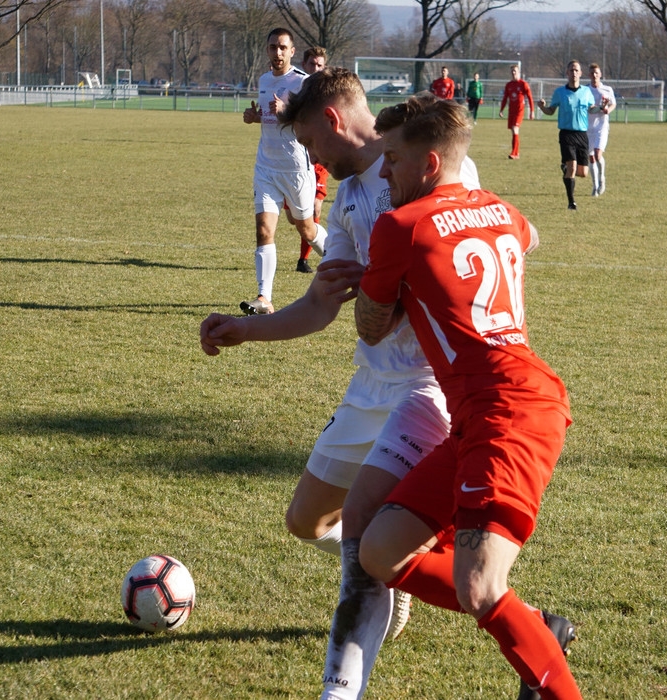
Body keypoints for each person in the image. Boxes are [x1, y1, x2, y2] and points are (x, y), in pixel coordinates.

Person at [201, 68, 492, 700]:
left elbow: (452, 275)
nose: (310, 160)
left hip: (426, 387)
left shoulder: (423, 170)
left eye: (309, 145)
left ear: (332, 122)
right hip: (370, 386)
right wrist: (244, 330)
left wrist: (379, 281)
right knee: (306, 521)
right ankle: (403, 571)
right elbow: (319, 306)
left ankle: (341, 686)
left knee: (360, 536)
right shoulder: (354, 198)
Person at [353, 93, 582, 700]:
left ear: (428, 165)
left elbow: (372, 328)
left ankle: (546, 662)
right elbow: (526, 237)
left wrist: (381, 281)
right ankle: (536, 628)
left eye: (394, 159)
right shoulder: (503, 210)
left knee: (478, 587)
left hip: (509, 410)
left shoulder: (399, 226)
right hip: (486, 411)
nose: (383, 172)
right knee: (379, 551)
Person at [240, 28, 328, 314]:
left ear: (292, 52)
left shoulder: (302, 83)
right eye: (272, 47)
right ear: (266, 50)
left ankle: (342, 264)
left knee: (305, 228)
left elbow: (313, 122)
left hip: (296, 169)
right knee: (264, 230)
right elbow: (269, 118)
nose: (277, 53)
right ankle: (264, 298)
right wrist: (255, 117)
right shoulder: (264, 79)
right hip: (266, 167)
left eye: (282, 48)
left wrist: (287, 113)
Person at [537, 60, 604, 210]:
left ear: (580, 74)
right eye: (571, 70)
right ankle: (571, 202)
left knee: (583, 173)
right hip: (566, 133)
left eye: (576, 70)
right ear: (567, 73)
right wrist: (542, 107)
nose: (574, 73)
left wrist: (600, 107)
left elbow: (591, 109)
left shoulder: (586, 92)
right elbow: (550, 111)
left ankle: (565, 168)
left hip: (582, 135)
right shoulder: (560, 92)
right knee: (572, 167)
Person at [296, 46, 330, 274]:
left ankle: (306, 260)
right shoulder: (296, 90)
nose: (315, 69)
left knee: (316, 207)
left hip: (320, 159)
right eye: (311, 64)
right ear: (304, 64)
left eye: (319, 65)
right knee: (296, 218)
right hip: (296, 161)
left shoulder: (329, 92)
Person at [586, 63, 615, 197]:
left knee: (598, 154)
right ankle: (595, 185)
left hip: (601, 127)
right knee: (590, 157)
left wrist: (608, 109)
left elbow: (613, 103)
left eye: (596, 73)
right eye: (592, 73)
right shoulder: (585, 90)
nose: (594, 75)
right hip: (587, 127)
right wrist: (599, 108)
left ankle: (602, 178)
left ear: (600, 74)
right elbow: (588, 108)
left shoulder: (607, 89)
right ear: (589, 75)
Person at [499, 65, 534, 160]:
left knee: (515, 129)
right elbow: (505, 98)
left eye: (515, 71)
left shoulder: (523, 84)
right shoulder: (509, 85)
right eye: (512, 71)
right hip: (511, 112)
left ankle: (514, 153)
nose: (513, 73)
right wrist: (501, 109)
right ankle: (516, 153)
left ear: (519, 72)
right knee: (513, 132)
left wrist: (532, 111)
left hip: (519, 111)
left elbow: (530, 98)